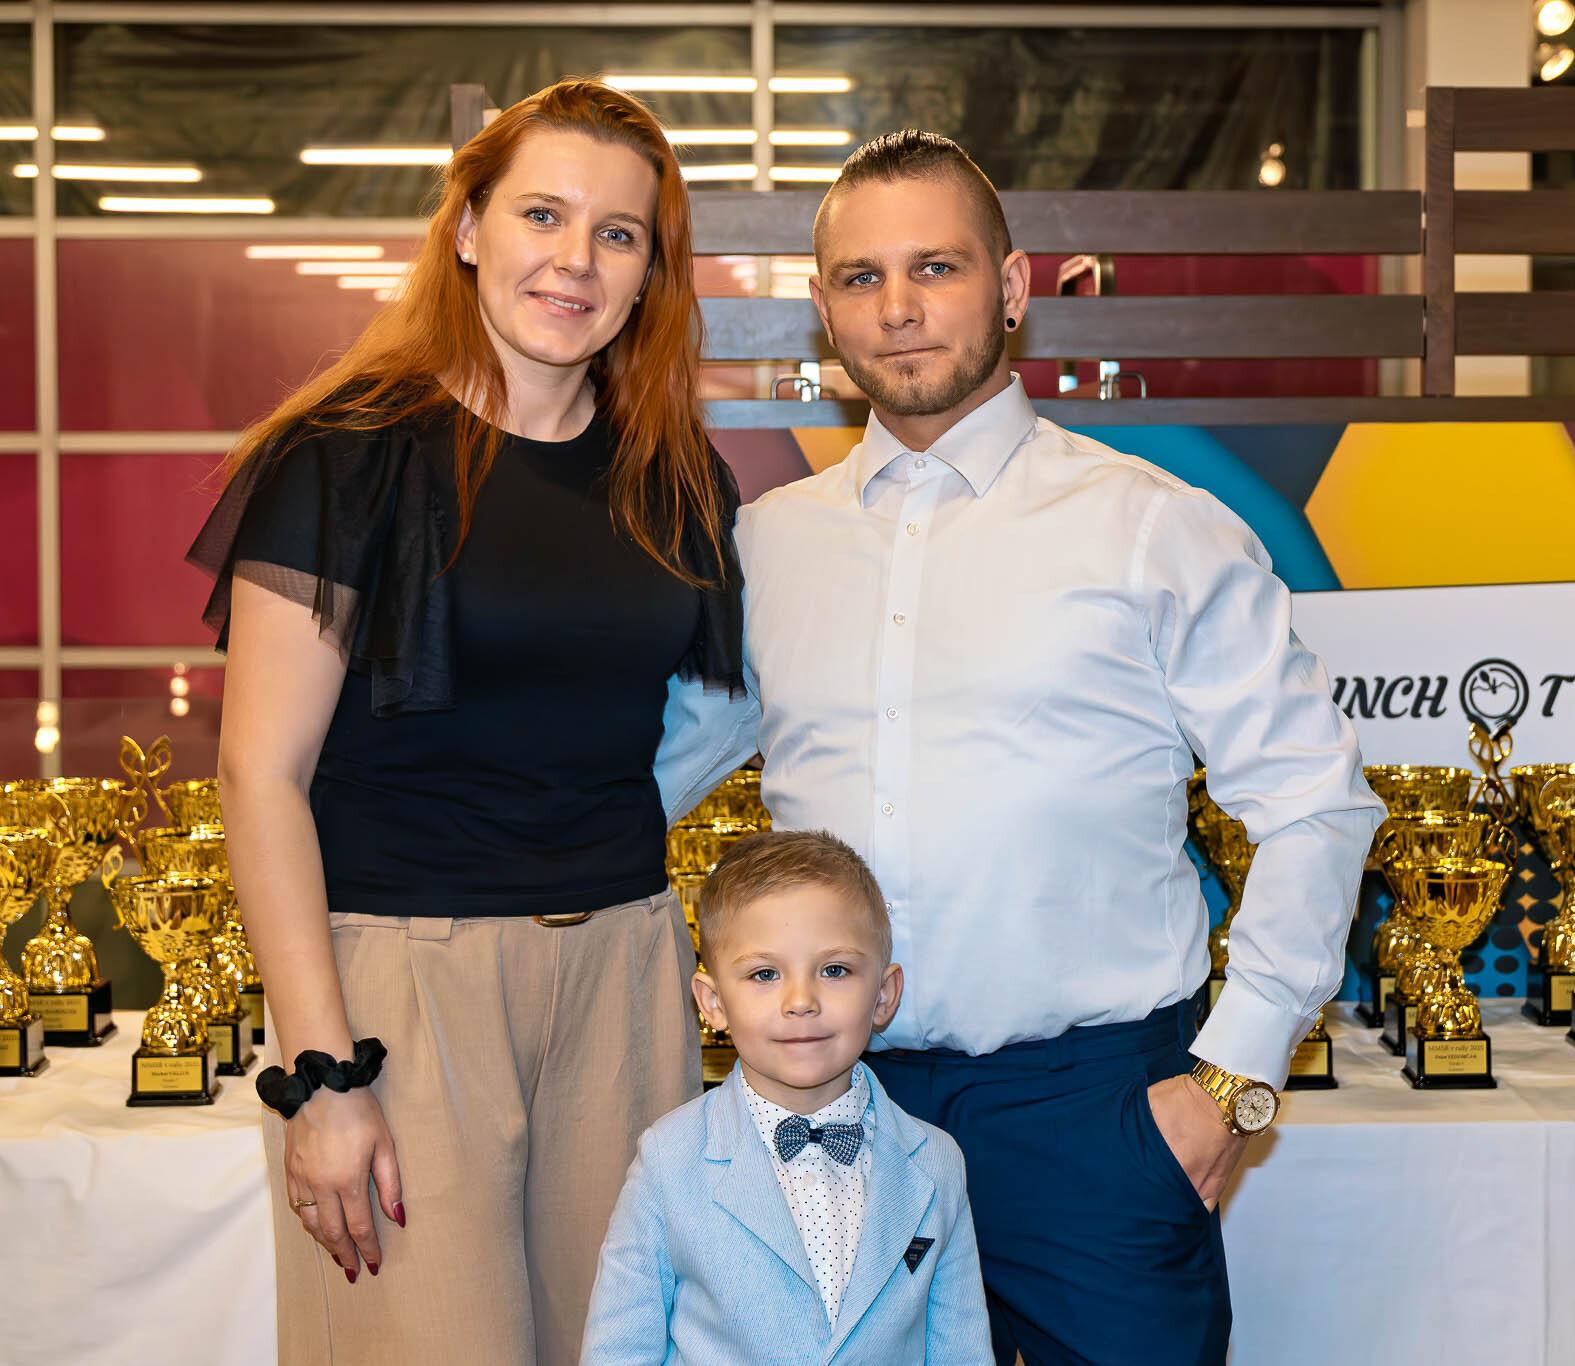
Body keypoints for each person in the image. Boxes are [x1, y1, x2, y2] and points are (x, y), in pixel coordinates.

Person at [664, 130, 1381, 1365]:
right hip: (836, 1108)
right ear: (824, 310)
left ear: (1009, 287)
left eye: (934, 268)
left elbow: (1316, 802)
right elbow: (636, 782)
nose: (897, 309)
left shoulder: (1151, 529)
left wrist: (1230, 1081)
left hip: (1094, 1119)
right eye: (860, 277)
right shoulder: (767, 549)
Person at [193, 79, 745, 1366]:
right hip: (403, 988)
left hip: (623, 980)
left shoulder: (676, 477)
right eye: (542, 214)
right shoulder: (346, 456)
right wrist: (321, 1076)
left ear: (650, 272)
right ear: (466, 228)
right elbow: (258, 775)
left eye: (619, 233)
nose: (576, 259)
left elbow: (701, 723)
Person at [582, 829, 994, 1365]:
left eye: (834, 970)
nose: (801, 1000)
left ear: (884, 995)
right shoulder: (668, 1158)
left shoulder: (937, 1161)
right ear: (713, 1002)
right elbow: (618, 1351)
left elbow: (961, 1350)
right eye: (765, 974)